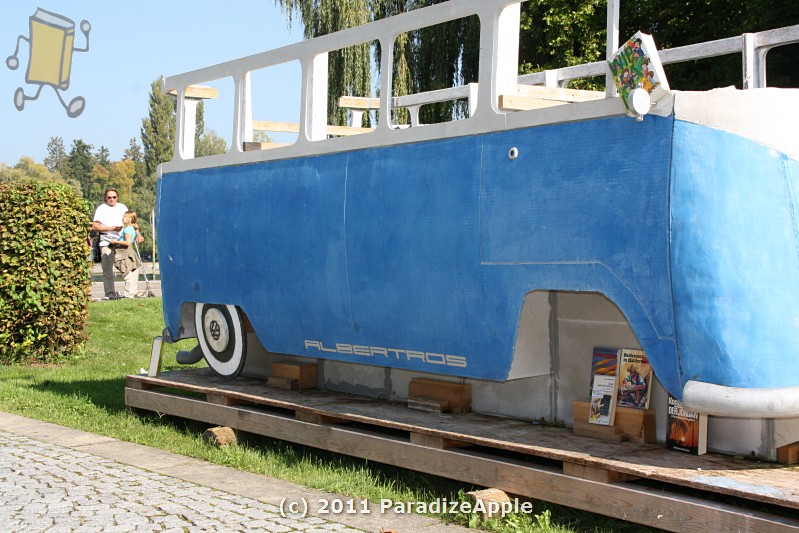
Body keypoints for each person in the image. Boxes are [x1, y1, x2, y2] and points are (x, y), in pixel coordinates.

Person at [92, 188, 143, 299]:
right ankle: (110, 294)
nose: (112, 199)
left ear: (117, 197)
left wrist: (138, 234)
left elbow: (132, 222)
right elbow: (94, 226)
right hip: (107, 242)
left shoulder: (122, 207)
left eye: (114, 197)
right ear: (105, 198)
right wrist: (110, 228)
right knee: (108, 269)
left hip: (123, 243)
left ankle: (132, 291)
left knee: (130, 266)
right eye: (109, 197)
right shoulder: (101, 209)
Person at [110, 211, 143, 298]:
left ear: (129, 219)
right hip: (130, 251)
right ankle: (131, 292)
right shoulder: (131, 228)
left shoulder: (127, 229)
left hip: (124, 252)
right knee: (133, 272)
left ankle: (128, 293)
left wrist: (115, 241)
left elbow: (127, 242)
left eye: (124, 217)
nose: (122, 218)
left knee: (127, 273)